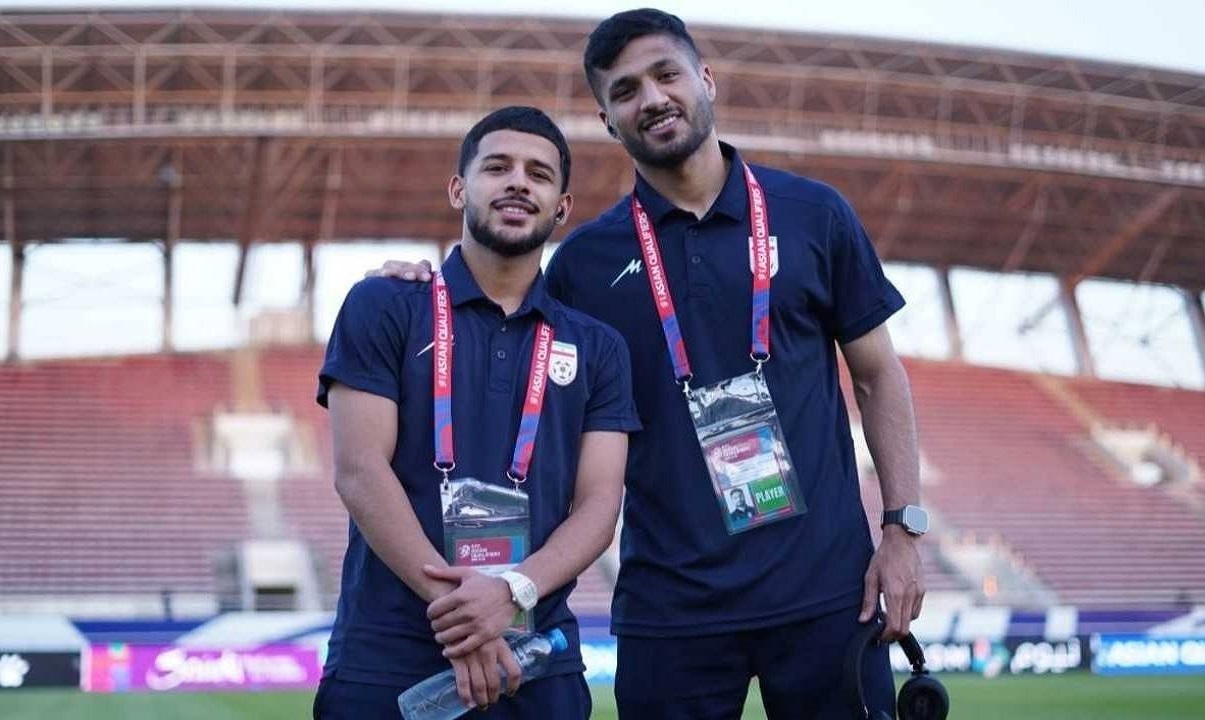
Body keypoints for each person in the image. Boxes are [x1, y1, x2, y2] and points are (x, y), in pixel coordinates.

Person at [375, 9, 927, 718]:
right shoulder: (583, 264)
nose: (653, 98)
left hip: (828, 594)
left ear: (706, 79)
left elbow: (878, 376)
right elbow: (498, 325)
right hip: (669, 607)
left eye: (667, 74)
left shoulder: (813, 214)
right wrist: (421, 288)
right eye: (626, 90)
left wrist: (902, 529)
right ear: (608, 120)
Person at [316, 106, 640, 719]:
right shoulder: (382, 305)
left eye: (539, 174)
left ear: (562, 207)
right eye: (497, 167)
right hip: (388, 654)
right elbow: (359, 470)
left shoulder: (598, 347)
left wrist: (511, 593)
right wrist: (468, 615)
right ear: (458, 189)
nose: (518, 182)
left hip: (537, 661)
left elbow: (600, 505)